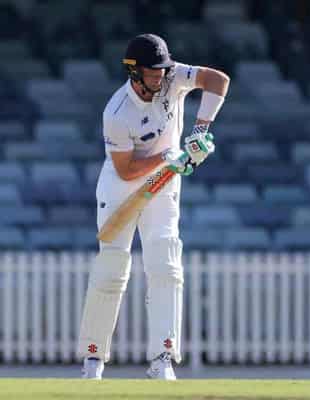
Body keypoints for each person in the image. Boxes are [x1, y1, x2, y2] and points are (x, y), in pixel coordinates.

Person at [77, 33, 230, 380]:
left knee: (165, 264)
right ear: (134, 71)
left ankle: (163, 358)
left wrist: (200, 132)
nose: (160, 78)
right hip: (122, 186)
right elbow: (125, 168)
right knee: (112, 268)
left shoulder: (172, 75)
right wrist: (167, 157)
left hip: (164, 183)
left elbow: (217, 80)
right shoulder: (117, 111)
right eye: (152, 72)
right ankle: (93, 360)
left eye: (162, 70)